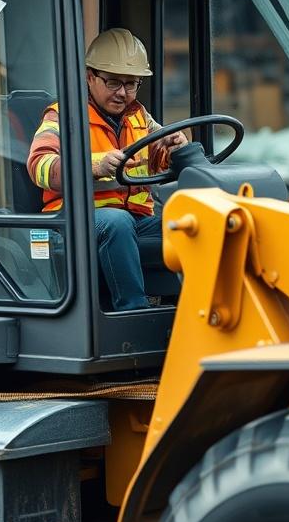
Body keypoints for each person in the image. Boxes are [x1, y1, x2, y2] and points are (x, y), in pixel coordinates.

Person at [27, 28, 187, 311]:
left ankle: (187, 307)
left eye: (131, 84)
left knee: (191, 225)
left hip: (136, 219)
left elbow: (158, 156)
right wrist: (95, 165)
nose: (123, 93)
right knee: (116, 222)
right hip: (72, 222)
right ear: (90, 77)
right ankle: (134, 311)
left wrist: (175, 145)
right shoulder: (63, 115)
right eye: (113, 82)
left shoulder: (138, 115)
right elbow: (39, 165)